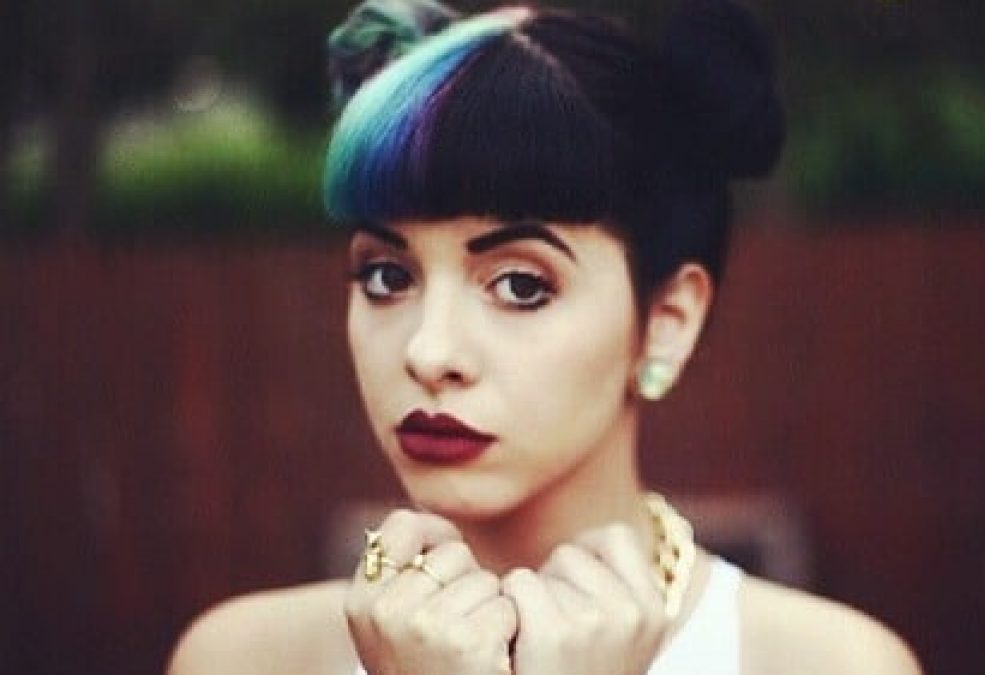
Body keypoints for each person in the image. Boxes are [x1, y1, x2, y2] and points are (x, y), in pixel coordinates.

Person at [169, 1, 923, 673]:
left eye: (521, 285)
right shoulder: (242, 659)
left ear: (667, 320)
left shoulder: (829, 665)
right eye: (387, 276)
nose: (429, 353)